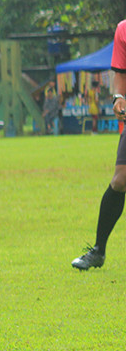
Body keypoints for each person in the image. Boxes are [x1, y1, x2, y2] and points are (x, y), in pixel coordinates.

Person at [70, 20, 126, 270]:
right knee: (120, 180)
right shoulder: (123, 30)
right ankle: (98, 251)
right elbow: (120, 74)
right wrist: (119, 97)